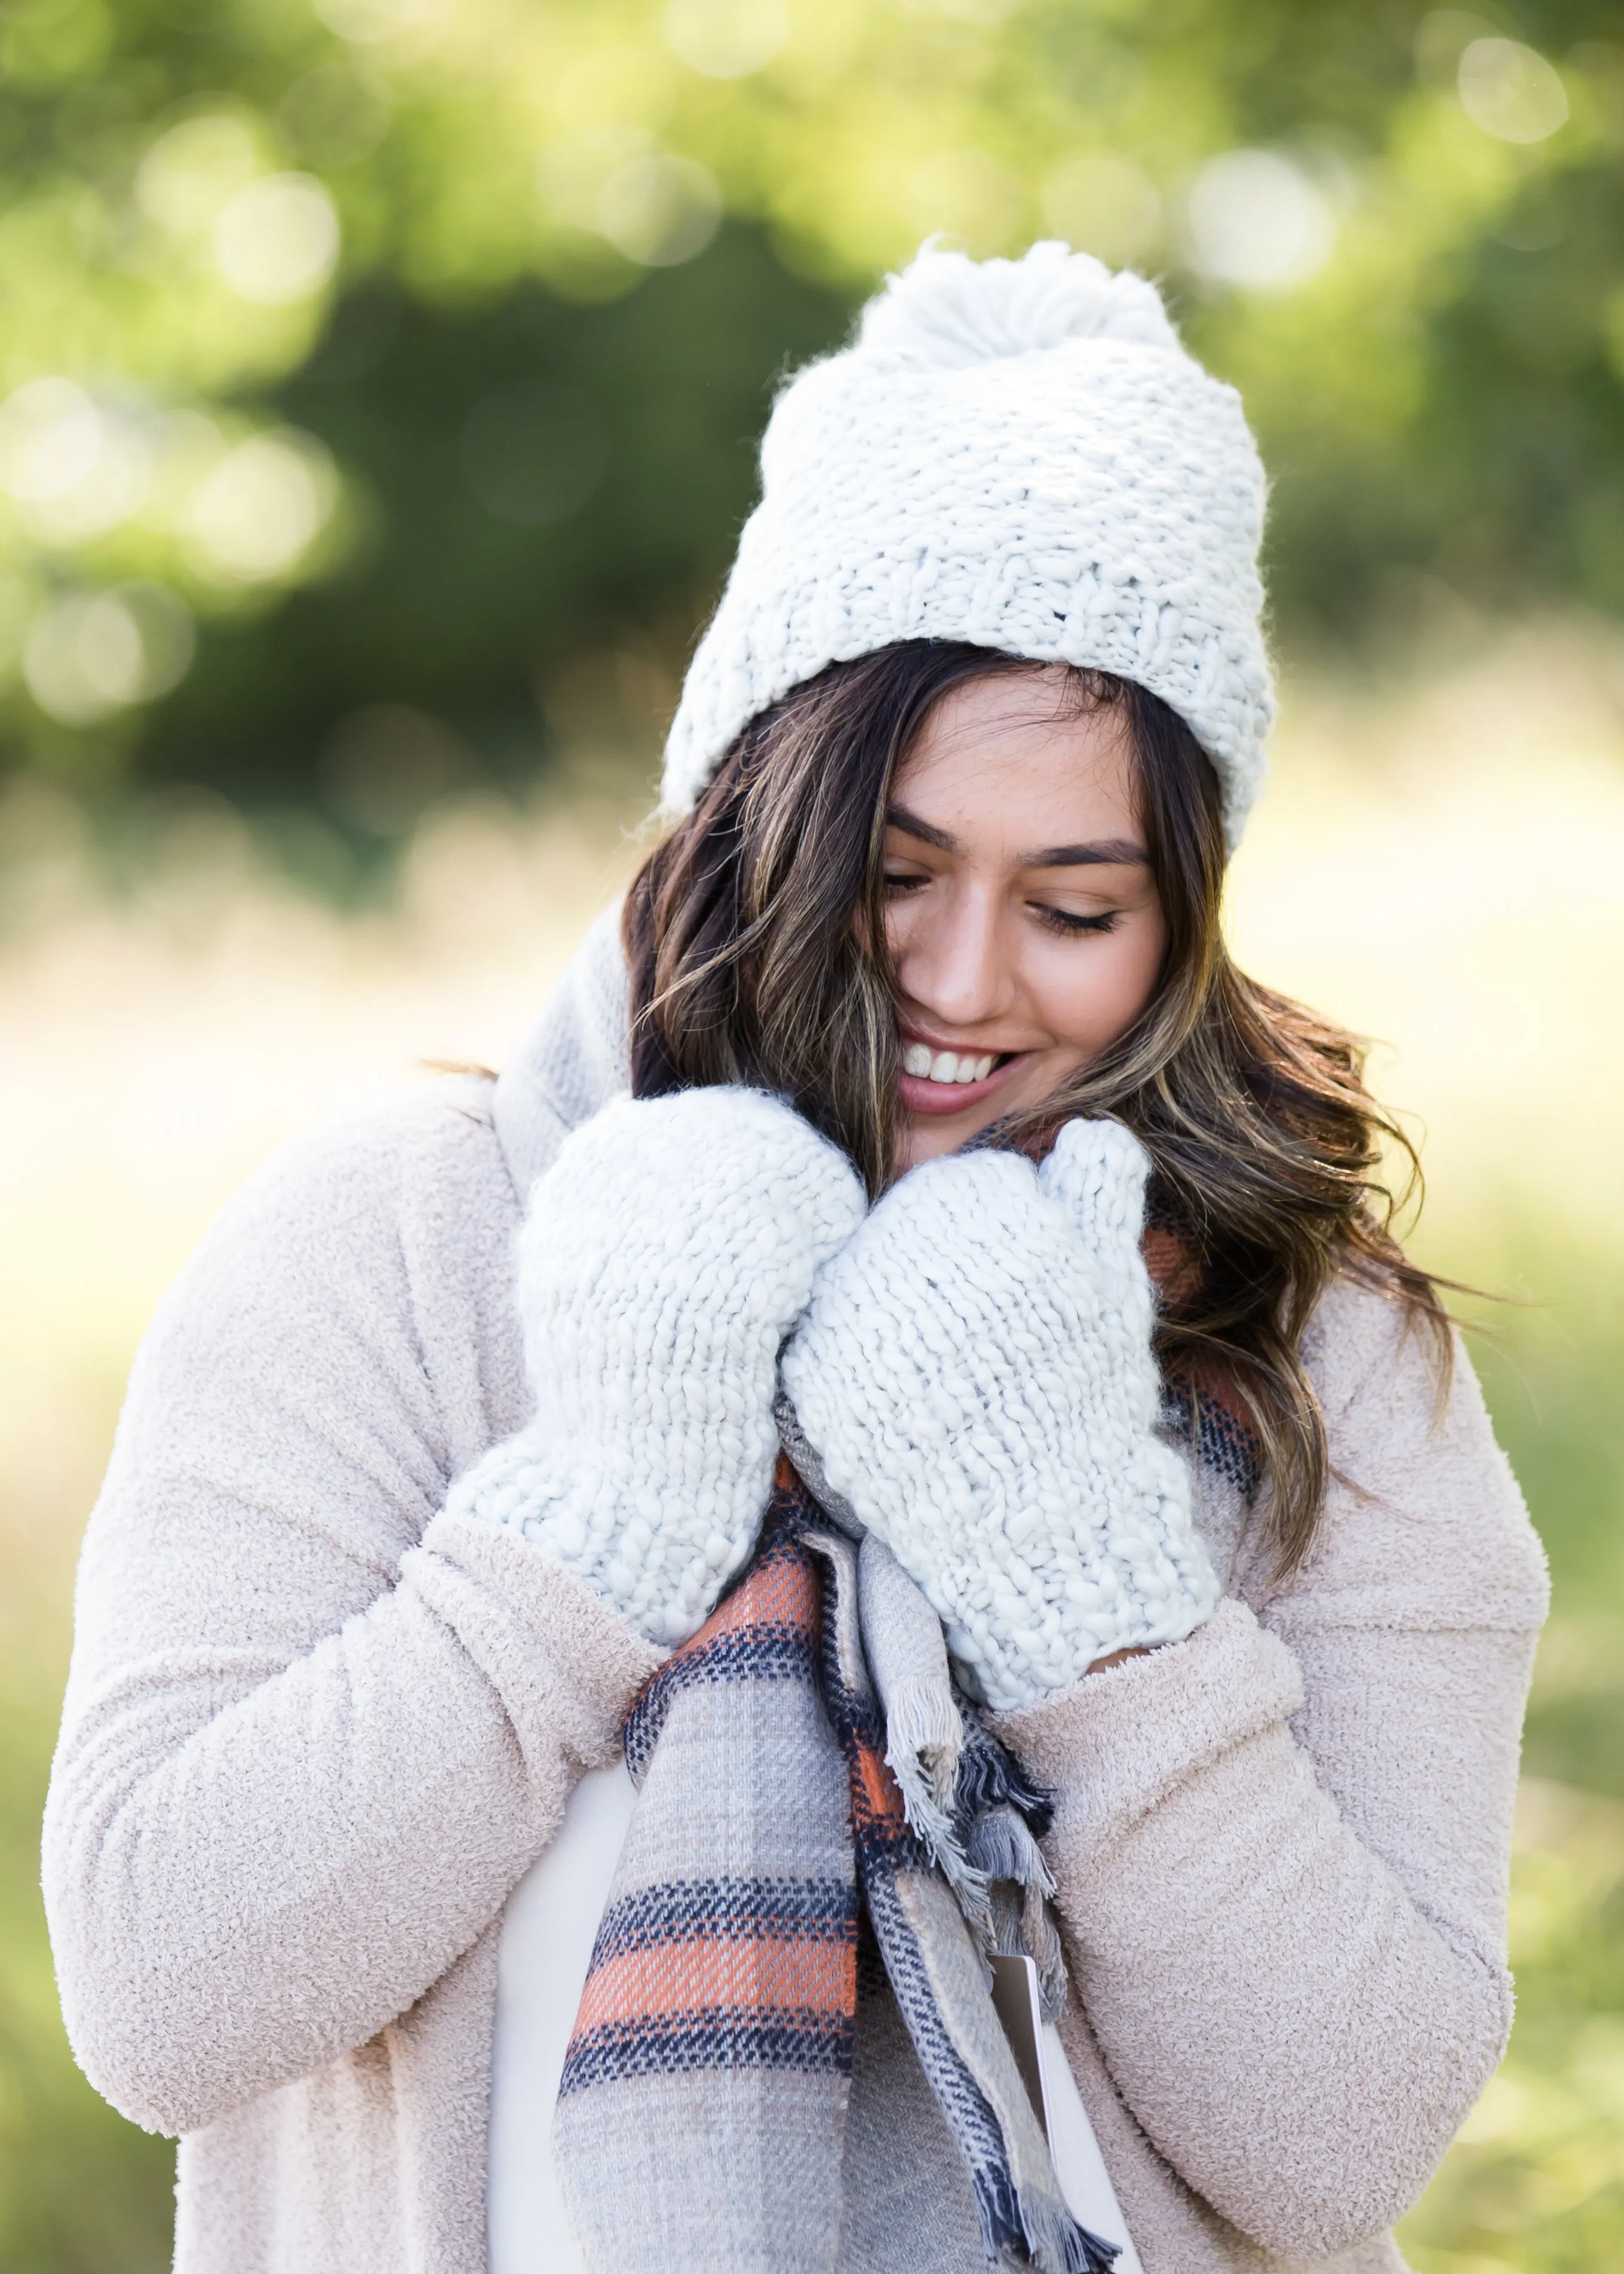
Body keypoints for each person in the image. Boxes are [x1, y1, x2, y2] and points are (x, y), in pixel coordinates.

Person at [43, 241, 1548, 2274]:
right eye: (894, 871)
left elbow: (1338, 2143)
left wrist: (1081, 1586)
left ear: (1179, 918)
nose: (960, 981)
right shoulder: (389, 1242)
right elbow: (162, 1996)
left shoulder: (1323, 1345)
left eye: (1073, 905)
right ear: (753, 814)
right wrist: (595, 1520)